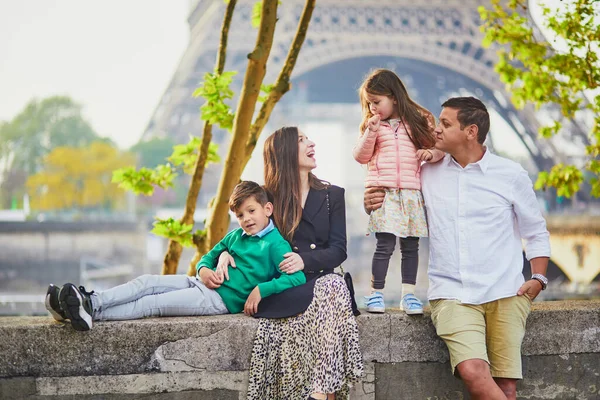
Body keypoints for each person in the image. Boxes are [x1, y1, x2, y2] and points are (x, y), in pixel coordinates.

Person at [364, 97, 551, 400]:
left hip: (506, 291)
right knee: (474, 371)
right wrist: (371, 201)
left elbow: (535, 231)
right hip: (451, 292)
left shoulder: (510, 174)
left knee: (506, 388)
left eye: (445, 124)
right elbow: (395, 199)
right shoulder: (424, 172)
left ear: (471, 131)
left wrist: (538, 278)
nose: (436, 130)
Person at [218, 127, 362, 400]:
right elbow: (242, 234)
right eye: (301, 140)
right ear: (284, 152)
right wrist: (226, 254)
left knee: (331, 283)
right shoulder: (266, 198)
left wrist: (303, 259)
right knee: (333, 289)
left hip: (319, 285)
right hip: (283, 289)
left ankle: (319, 393)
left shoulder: (334, 195)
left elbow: (338, 251)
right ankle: (324, 394)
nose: (312, 143)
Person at [44, 181, 306, 331]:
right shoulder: (236, 236)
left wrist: (262, 289)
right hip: (198, 282)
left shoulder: (276, 245)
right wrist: (204, 270)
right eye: (240, 215)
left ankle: (89, 312)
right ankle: (89, 302)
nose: (246, 219)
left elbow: (297, 278)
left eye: (251, 211)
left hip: (218, 300)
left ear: (267, 209)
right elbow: (207, 257)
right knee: (145, 282)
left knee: (152, 304)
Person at [353, 68, 444, 314]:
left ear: (393, 96)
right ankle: (376, 294)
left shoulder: (416, 122)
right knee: (384, 245)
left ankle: (409, 295)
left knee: (410, 246)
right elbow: (361, 156)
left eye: (376, 102)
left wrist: (430, 154)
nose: (372, 108)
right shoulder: (372, 127)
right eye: (369, 103)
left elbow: (438, 149)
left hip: (411, 193)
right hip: (385, 193)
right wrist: (371, 130)